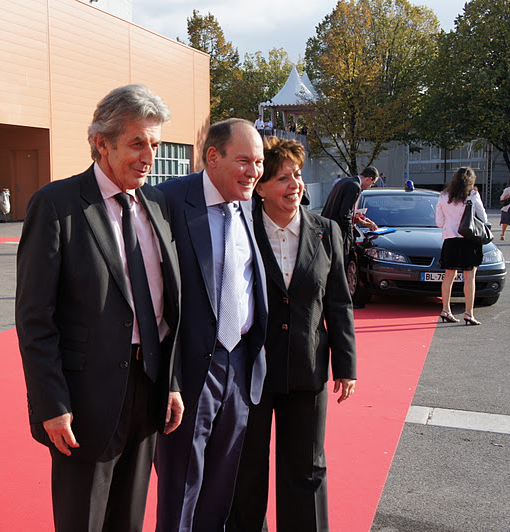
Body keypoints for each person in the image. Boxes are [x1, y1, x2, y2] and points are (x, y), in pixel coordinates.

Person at [15, 84, 183, 532]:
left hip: (148, 391)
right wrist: (51, 403)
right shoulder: (56, 205)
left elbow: (165, 309)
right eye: (137, 143)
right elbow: (35, 318)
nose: (149, 156)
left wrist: (170, 383)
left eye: (155, 144)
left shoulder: (157, 205)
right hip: (83, 402)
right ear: (101, 142)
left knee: (129, 521)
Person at [228, 137, 357, 532]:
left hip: (307, 367)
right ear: (261, 188)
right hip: (251, 372)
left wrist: (346, 366)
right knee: (246, 469)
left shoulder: (326, 231)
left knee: (307, 468)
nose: (294, 185)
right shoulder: (240, 229)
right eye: (282, 178)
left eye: (297, 175)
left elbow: (338, 303)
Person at [155, 118, 268, 532]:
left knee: (221, 487)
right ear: (213, 157)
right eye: (244, 161)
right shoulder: (167, 200)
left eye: (259, 162)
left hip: (239, 364)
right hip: (188, 368)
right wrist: (167, 376)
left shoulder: (248, 206)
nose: (254, 172)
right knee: (180, 489)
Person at [435, 167, 487, 326]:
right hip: (469, 239)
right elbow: (483, 218)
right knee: (469, 277)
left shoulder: (444, 196)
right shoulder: (473, 195)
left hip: (450, 239)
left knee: (448, 276)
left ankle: (446, 310)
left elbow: (439, 223)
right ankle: (469, 313)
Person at [321, 166, 380, 267]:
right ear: (369, 179)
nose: (370, 186)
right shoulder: (354, 187)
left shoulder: (344, 181)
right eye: (372, 183)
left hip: (328, 227)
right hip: (338, 231)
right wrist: (350, 236)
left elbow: (343, 208)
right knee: (340, 264)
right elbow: (345, 214)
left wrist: (363, 219)